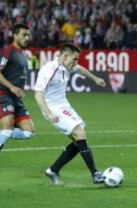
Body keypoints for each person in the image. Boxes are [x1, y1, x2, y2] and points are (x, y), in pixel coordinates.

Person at [34, 43, 106, 184]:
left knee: (79, 140)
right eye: (74, 59)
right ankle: (95, 174)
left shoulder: (68, 65)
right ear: (65, 56)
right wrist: (49, 113)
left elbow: (81, 70)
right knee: (80, 134)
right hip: (51, 107)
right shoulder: (49, 69)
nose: (76, 62)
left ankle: (53, 170)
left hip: (63, 105)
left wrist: (96, 78)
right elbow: (38, 94)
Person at [0, 23, 35, 173]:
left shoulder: (22, 54)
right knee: (8, 129)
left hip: (16, 99)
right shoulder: (8, 51)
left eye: (28, 35)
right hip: (3, 96)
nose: (27, 38)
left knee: (29, 132)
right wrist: (11, 87)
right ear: (15, 35)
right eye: (24, 35)